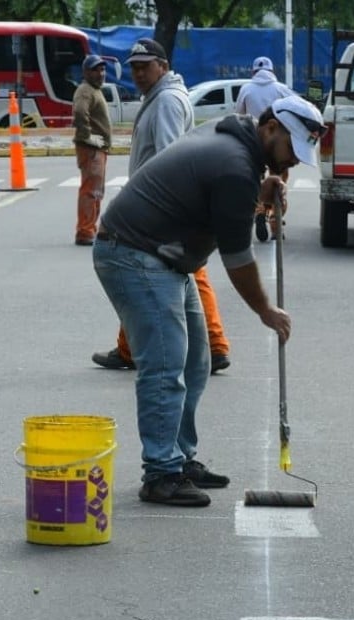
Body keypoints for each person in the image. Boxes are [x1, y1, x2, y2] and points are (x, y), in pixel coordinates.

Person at [92, 95, 325, 506]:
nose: (292, 161)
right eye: (292, 148)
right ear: (271, 128)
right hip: (134, 253)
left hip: (163, 256)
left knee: (196, 362)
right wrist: (265, 310)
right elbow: (238, 258)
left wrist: (258, 191)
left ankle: (179, 458)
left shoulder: (238, 145)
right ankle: (161, 473)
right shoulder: (235, 165)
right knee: (165, 365)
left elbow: (211, 194)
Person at [91, 37, 233, 374]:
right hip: (155, 204)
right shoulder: (160, 97)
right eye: (134, 68)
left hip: (158, 206)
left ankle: (214, 345)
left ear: (163, 67)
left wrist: (157, 206)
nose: (138, 74)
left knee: (183, 273)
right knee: (144, 272)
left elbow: (169, 156)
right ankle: (130, 348)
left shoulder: (167, 101)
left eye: (145, 67)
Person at [236, 56, 297, 241]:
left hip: (254, 142)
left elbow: (239, 115)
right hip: (277, 145)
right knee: (278, 183)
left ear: (253, 72)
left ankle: (260, 209)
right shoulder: (282, 89)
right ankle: (275, 222)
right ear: (272, 72)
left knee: (257, 182)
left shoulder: (246, 89)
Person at [72, 54, 112, 246]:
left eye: (102, 69)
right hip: (91, 149)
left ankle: (89, 229)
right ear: (86, 72)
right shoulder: (85, 90)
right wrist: (87, 136)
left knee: (96, 190)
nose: (100, 73)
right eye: (95, 70)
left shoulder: (93, 90)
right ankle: (85, 231)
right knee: (91, 191)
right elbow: (80, 112)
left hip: (97, 148)